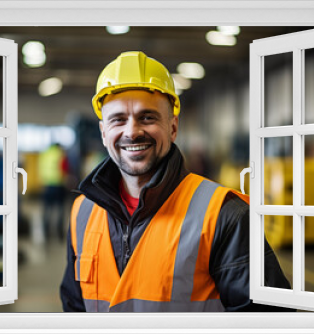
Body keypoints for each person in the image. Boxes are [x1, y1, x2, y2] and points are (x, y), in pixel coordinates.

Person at [60, 51, 291, 312]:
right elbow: (74, 310)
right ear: (104, 133)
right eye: (118, 119)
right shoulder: (83, 212)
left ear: (172, 127)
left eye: (147, 117)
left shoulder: (224, 215)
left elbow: (270, 321)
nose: (132, 131)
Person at [39, 143, 69, 241]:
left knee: (47, 209)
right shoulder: (60, 155)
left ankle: (46, 232)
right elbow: (64, 169)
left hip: (46, 185)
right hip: (58, 185)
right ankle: (59, 233)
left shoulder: (45, 154)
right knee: (60, 209)